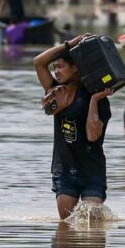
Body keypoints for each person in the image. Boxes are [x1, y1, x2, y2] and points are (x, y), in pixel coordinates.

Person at [34, 34, 114, 220]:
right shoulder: (55, 92)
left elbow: (93, 136)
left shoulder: (97, 97)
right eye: (55, 68)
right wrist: (70, 44)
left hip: (91, 170)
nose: (57, 72)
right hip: (65, 169)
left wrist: (94, 100)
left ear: (75, 67)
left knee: (92, 221)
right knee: (66, 224)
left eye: (61, 67)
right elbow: (38, 62)